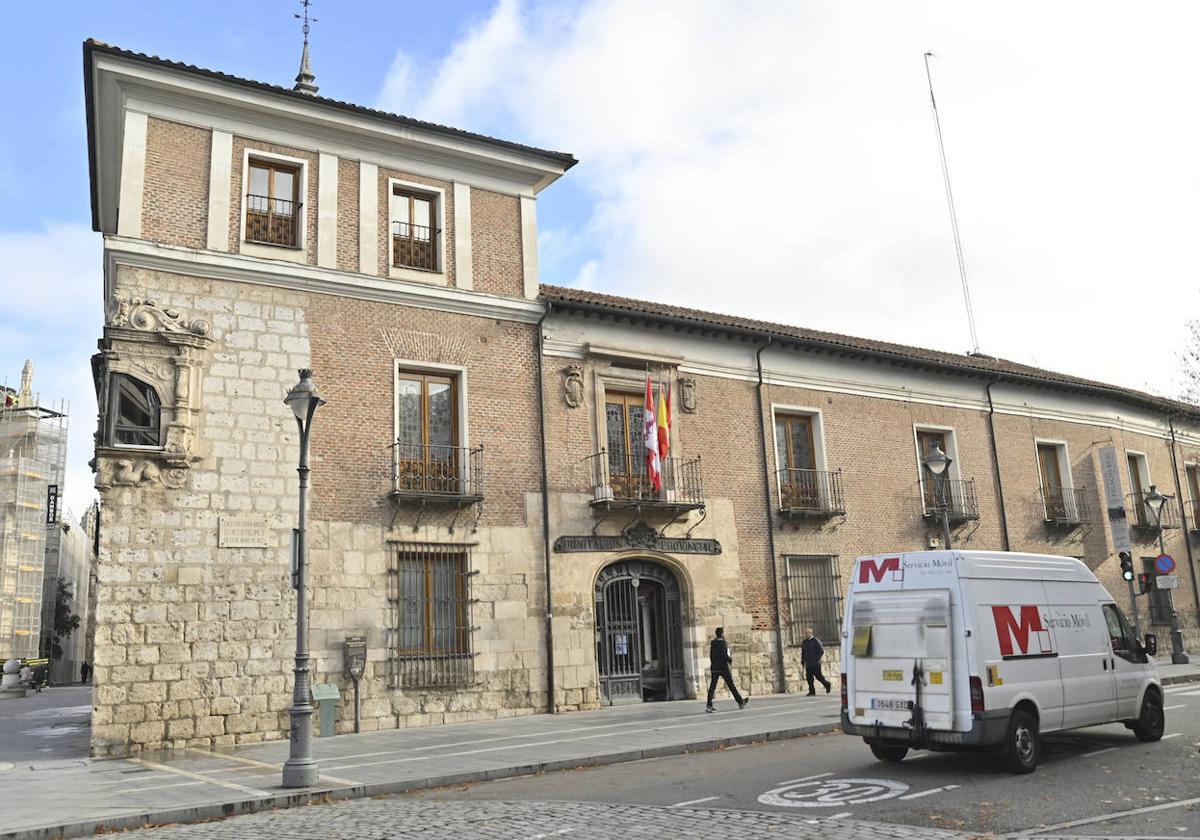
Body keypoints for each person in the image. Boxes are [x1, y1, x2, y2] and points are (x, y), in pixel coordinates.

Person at [705, 627, 747, 712]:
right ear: (722, 634)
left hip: (714, 668)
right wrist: (729, 659)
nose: (725, 634)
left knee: (712, 686)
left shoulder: (713, 643)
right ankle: (740, 702)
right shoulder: (723, 643)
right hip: (723, 668)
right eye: (724, 633)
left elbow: (712, 655)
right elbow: (723, 655)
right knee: (731, 685)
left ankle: (709, 704)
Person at [800, 627, 832, 696]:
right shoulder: (804, 642)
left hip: (816, 663)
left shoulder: (815, 640)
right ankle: (812, 691)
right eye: (804, 633)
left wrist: (816, 659)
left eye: (806, 633)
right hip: (808, 663)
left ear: (810, 633)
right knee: (809, 678)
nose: (805, 634)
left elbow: (821, 651)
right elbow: (803, 653)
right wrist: (803, 661)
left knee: (818, 677)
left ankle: (827, 684)